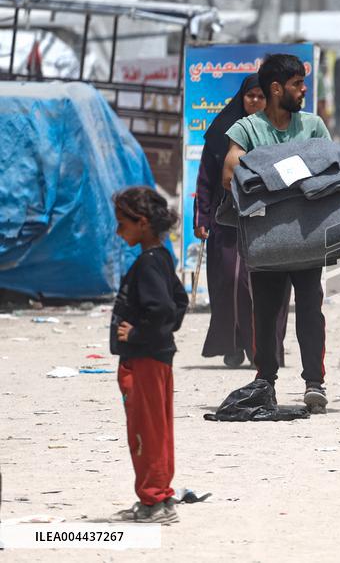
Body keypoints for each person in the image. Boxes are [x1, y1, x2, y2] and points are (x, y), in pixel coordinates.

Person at [221, 54, 332, 412]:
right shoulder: (246, 129)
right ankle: (265, 380)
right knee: (266, 312)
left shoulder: (313, 125)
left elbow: (330, 167)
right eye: (297, 84)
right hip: (265, 238)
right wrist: (292, 176)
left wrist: (266, 175)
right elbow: (229, 175)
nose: (303, 90)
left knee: (311, 308)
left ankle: (314, 383)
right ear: (275, 88)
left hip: (307, 233)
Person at [195, 74, 291, 368]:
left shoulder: (280, 130)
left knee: (270, 284)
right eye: (250, 95)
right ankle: (234, 344)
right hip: (228, 220)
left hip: (270, 219)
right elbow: (206, 179)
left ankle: (266, 348)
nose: (255, 101)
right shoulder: (221, 133)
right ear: (242, 97)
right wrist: (202, 217)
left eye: (261, 96)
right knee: (232, 281)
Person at [109, 186, 188, 523]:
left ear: (142, 223)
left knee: (146, 432)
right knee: (158, 429)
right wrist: (161, 332)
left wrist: (139, 334)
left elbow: (163, 307)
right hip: (156, 358)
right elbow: (180, 303)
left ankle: (154, 501)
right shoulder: (161, 258)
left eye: (122, 223)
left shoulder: (147, 264)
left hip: (145, 360)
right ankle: (161, 498)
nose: (118, 230)